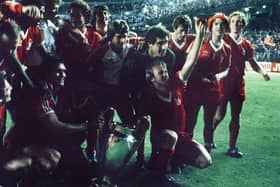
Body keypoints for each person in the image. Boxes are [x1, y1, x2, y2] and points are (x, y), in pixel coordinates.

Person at [137, 19, 211, 186]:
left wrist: (199, 37)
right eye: (160, 72)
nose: (165, 73)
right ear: (151, 78)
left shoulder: (175, 84)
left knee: (205, 161)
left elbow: (190, 63)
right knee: (171, 137)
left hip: (181, 136)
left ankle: (169, 158)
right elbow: (141, 119)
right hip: (161, 135)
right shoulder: (149, 95)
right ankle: (159, 176)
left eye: (165, 70)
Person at [212, 11, 270, 158]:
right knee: (220, 114)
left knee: (236, 116)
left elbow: (252, 62)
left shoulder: (246, 45)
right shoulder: (223, 39)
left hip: (238, 84)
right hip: (224, 83)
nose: (235, 25)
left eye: (239, 22)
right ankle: (209, 137)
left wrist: (262, 72)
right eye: (233, 22)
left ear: (243, 25)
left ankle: (232, 147)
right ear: (229, 24)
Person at [184, 13, 231, 153]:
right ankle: (186, 150)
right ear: (211, 27)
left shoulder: (227, 49)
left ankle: (207, 150)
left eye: (222, 25)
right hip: (194, 89)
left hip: (212, 91)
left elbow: (227, 69)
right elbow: (188, 63)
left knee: (209, 122)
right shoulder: (200, 42)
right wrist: (199, 77)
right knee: (190, 122)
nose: (219, 27)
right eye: (216, 24)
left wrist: (217, 77)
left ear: (226, 28)